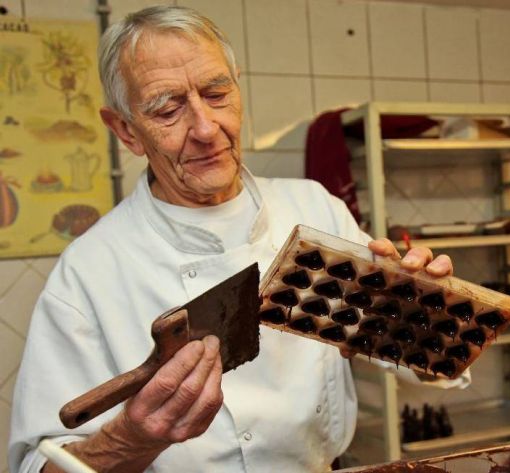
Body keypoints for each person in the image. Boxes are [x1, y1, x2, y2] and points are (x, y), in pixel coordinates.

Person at [8, 6, 465, 473]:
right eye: (168, 109)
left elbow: (411, 356)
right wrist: (132, 440)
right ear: (127, 131)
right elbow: (37, 467)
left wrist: (426, 312)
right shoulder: (89, 269)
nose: (207, 129)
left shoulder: (314, 209)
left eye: (216, 92)